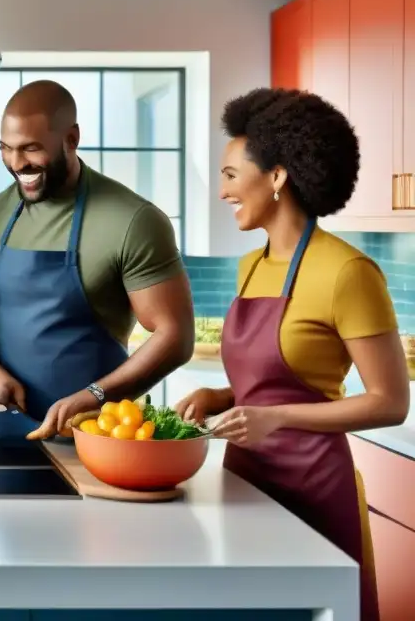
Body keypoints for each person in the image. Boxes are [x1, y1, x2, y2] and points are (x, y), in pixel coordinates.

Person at [176, 88, 410, 621]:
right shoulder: (250, 268)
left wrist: (275, 417)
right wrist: (220, 395)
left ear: (277, 177)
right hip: (247, 481)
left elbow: (389, 402)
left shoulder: (349, 273)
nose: (222, 191)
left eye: (232, 175)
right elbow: (271, 379)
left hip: (314, 486)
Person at [0, 79, 195, 440]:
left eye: (31, 149)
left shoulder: (133, 220)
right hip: (5, 432)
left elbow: (176, 336)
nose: (16, 163)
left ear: (71, 138)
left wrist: (95, 396)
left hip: (101, 435)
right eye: (6, 149)